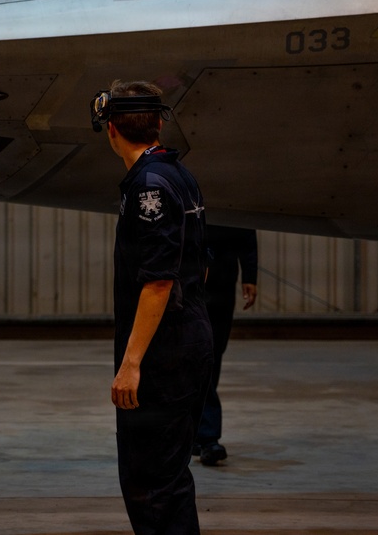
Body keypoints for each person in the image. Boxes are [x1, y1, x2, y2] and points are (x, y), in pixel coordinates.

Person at [92, 79, 214, 535]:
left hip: (165, 353)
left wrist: (132, 363)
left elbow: (159, 282)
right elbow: (200, 267)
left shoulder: (149, 186)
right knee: (168, 477)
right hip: (189, 337)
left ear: (111, 131)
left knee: (150, 483)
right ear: (159, 123)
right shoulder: (178, 174)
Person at [195, 224, 258, 466]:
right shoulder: (186, 189)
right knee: (200, 353)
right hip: (193, 281)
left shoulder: (231, 193)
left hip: (223, 281)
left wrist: (249, 274)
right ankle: (208, 436)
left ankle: (197, 433)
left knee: (215, 353)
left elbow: (246, 228)